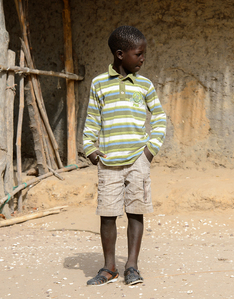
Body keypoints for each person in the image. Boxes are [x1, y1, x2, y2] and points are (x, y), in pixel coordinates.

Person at [82, 25, 167, 286]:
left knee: (135, 212)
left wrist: (149, 152)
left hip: (136, 161)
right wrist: (90, 149)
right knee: (107, 215)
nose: (143, 59)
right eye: (138, 54)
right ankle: (109, 268)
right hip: (108, 162)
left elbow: (160, 118)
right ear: (120, 54)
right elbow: (92, 121)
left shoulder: (144, 85)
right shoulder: (99, 84)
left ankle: (132, 266)